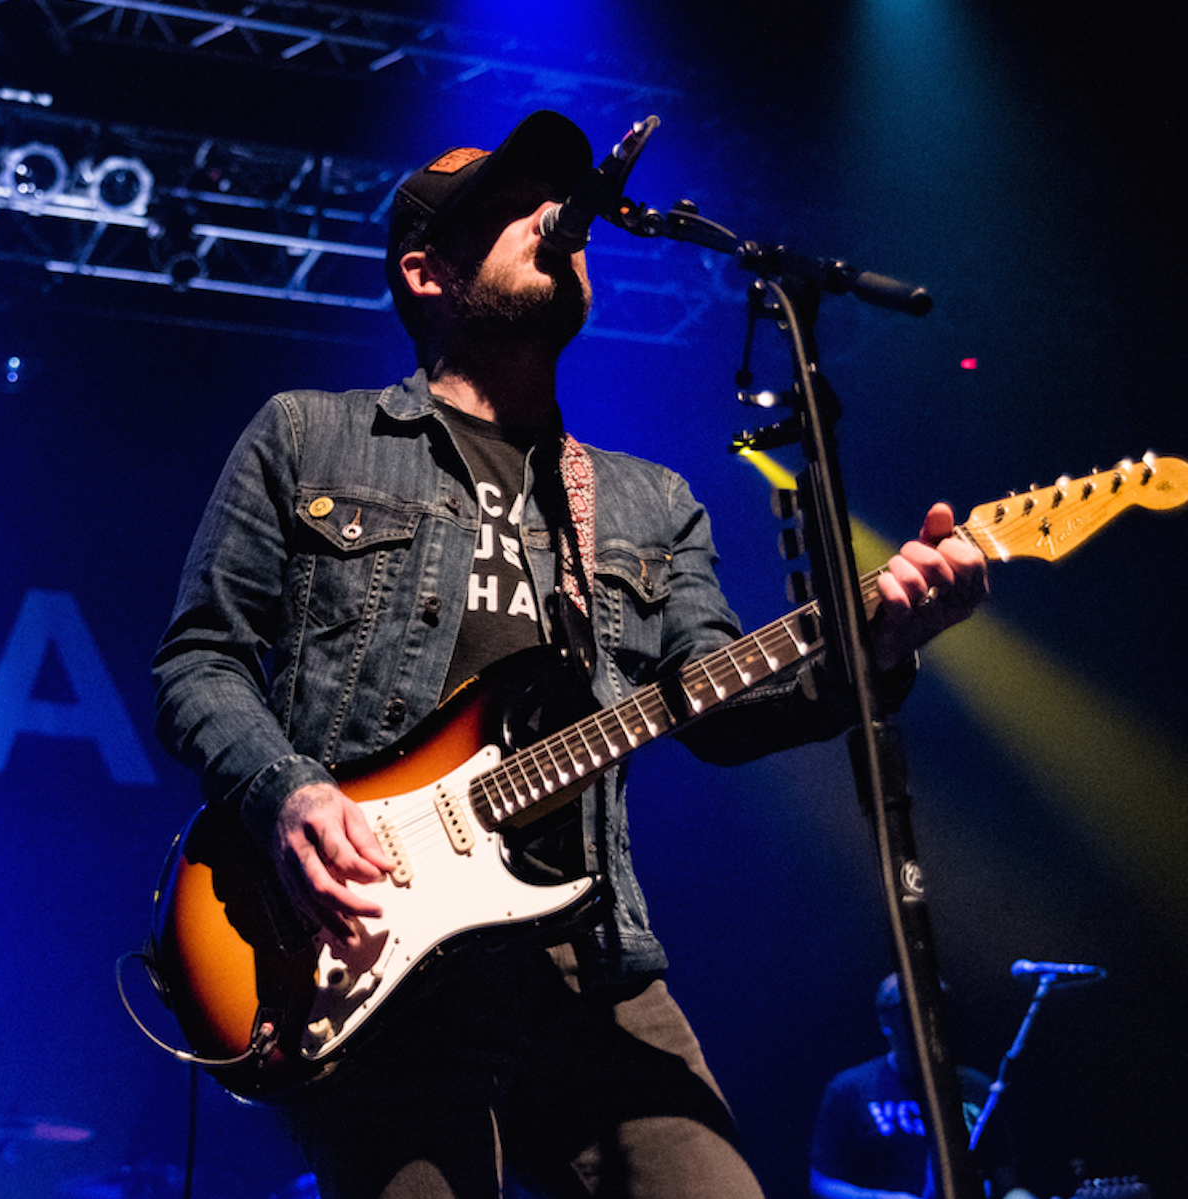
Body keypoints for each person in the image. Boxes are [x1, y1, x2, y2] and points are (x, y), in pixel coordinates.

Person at [151, 110, 989, 1199]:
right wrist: (290, 795)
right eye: (504, 206)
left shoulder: (649, 501)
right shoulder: (309, 435)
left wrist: (876, 642)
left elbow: (723, 705)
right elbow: (198, 660)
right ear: (425, 273)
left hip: (582, 955)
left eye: (556, 200)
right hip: (363, 939)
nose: (554, 217)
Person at [810, 975, 1027, 1199]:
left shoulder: (978, 1087)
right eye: (912, 1009)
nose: (928, 1018)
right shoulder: (849, 1089)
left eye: (936, 1007)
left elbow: (1005, 1182)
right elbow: (821, 1183)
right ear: (886, 1021)